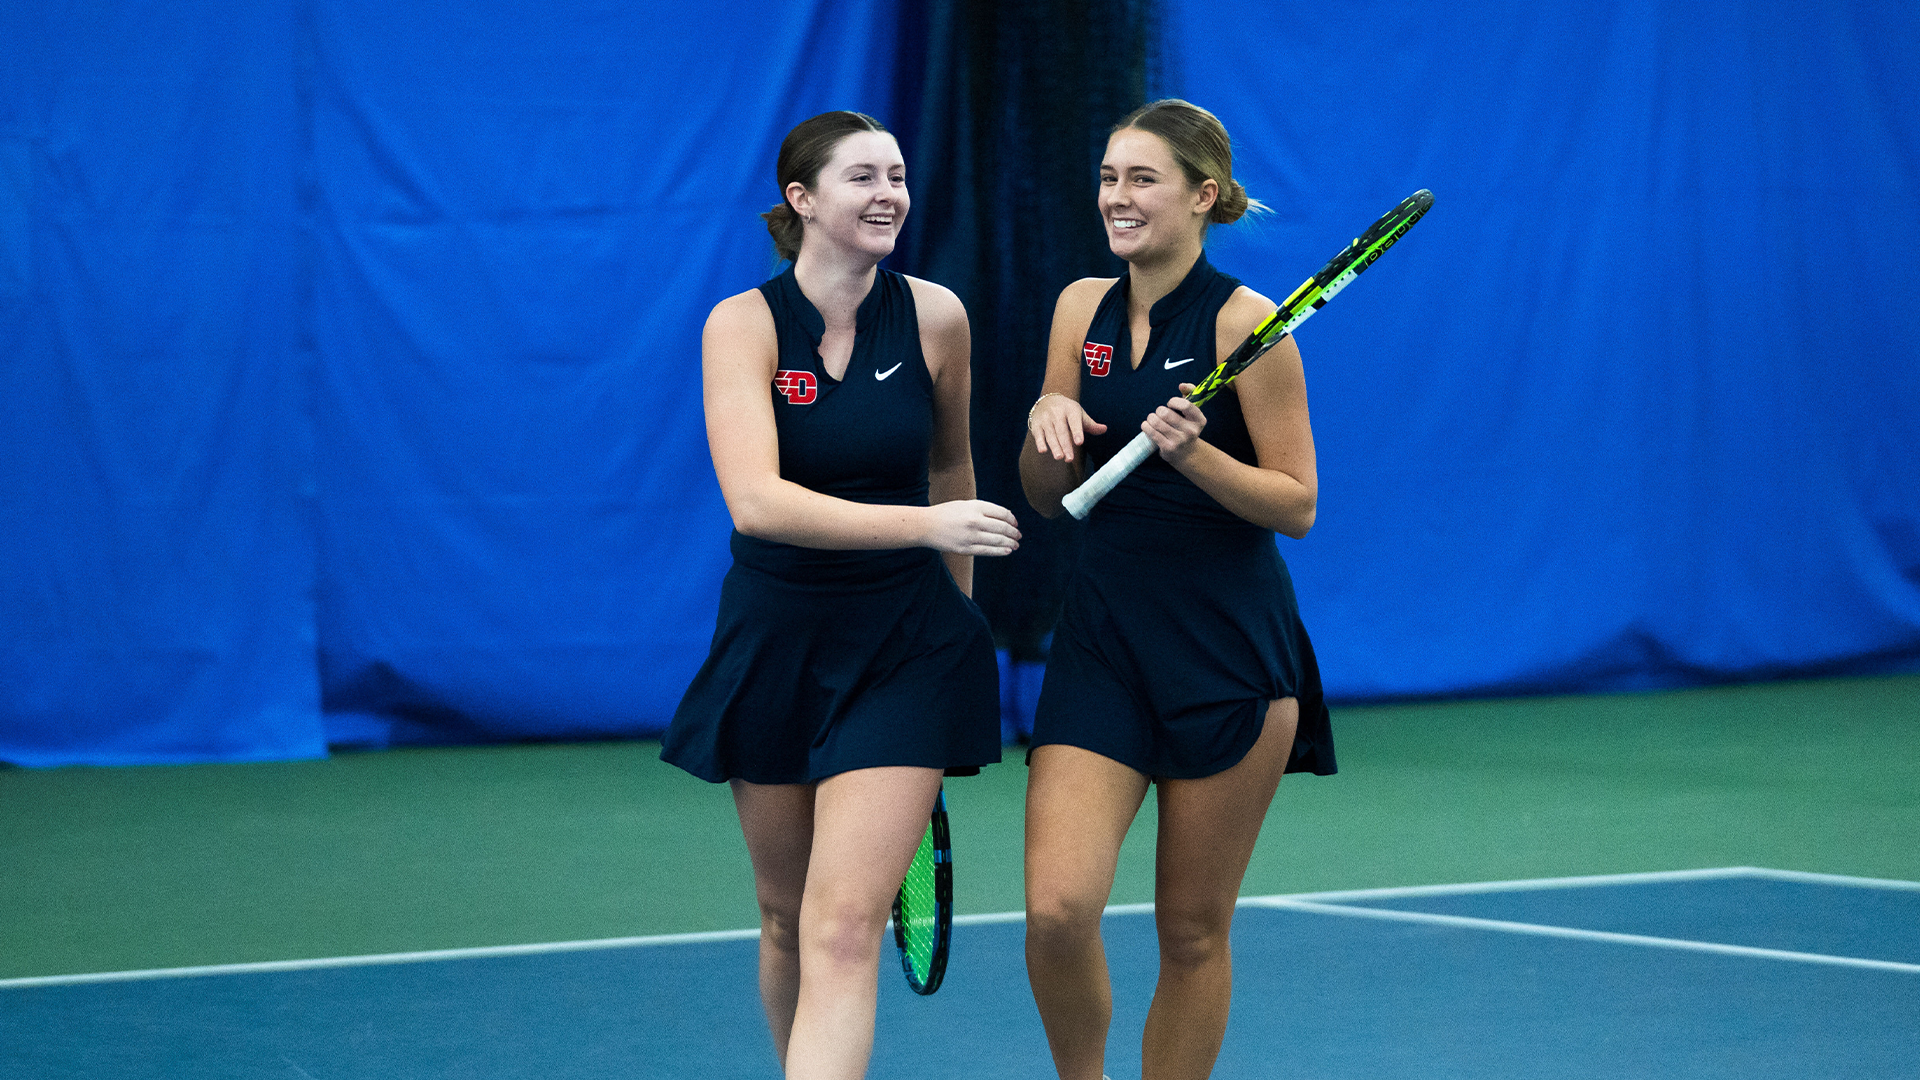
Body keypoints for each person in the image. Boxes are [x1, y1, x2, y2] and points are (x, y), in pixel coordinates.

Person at [660, 110, 1020, 1080]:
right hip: (775, 639)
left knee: (843, 924)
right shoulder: (740, 325)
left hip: (908, 648)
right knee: (786, 918)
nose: (888, 194)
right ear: (802, 199)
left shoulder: (938, 316)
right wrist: (925, 527)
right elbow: (757, 502)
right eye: (862, 176)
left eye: (897, 175)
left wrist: (958, 615)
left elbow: (953, 469)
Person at [1018, 99, 1337, 1080]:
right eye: (1110, 177)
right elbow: (1050, 503)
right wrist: (1047, 418)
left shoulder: (1253, 327)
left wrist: (1193, 459)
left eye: (1140, 179)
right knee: (1058, 912)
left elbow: (1297, 504)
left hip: (1227, 651)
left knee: (1193, 933)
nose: (1117, 197)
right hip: (1103, 641)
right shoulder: (1081, 310)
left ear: (1203, 195)